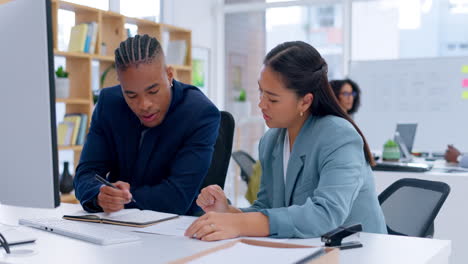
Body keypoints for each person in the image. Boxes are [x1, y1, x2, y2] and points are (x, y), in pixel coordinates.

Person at [185, 41, 387, 241]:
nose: (261, 104)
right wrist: (228, 212)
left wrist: (240, 224)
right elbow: (266, 209)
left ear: (305, 101)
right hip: (306, 249)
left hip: (357, 252)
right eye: (261, 92)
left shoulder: (339, 136)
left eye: (272, 99)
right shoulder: (271, 140)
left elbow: (326, 214)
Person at [74, 34, 220, 215]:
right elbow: (86, 173)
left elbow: (176, 197)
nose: (144, 105)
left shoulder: (200, 113)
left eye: (153, 91)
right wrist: (100, 195)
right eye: (131, 95)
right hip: (118, 226)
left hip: (179, 228)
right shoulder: (109, 104)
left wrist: (121, 199)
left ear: (169, 75)